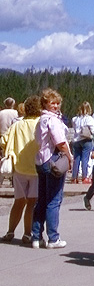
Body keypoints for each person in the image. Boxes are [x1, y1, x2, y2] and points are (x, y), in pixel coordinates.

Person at [31, 88, 71, 249]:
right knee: (54, 200)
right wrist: (69, 156)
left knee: (41, 199)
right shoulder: (53, 120)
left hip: (41, 160)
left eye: (57, 102)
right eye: (51, 102)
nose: (55, 105)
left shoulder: (41, 119)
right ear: (45, 103)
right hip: (53, 160)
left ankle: (36, 236)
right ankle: (53, 238)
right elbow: (60, 141)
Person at [1, 95, 41, 244]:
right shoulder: (40, 124)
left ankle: (10, 231)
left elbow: (3, 141)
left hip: (19, 167)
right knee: (31, 203)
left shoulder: (17, 125)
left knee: (18, 202)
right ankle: (27, 233)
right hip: (36, 168)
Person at [70, 101, 94, 183]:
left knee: (76, 159)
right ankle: (84, 177)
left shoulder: (75, 119)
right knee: (85, 159)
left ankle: (74, 177)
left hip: (76, 140)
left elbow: (74, 128)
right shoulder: (89, 119)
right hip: (86, 140)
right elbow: (93, 130)